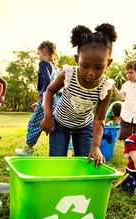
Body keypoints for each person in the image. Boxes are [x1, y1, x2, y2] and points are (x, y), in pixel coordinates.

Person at [40, 23, 118, 167]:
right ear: (77, 60)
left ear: (108, 63)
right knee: (56, 163)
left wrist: (96, 145)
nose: (91, 72)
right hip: (59, 125)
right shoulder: (69, 74)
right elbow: (50, 91)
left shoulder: (106, 87)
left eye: (99, 67)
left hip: (84, 127)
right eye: (85, 65)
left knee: (86, 162)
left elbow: (100, 119)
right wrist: (48, 117)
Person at [15, 41, 60, 156]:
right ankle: (67, 153)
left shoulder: (43, 64)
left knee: (34, 124)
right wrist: (40, 100)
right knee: (58, 128)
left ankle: (28, 150)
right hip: (58, 102)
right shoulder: (57, 68)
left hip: (49, 100)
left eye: (38, 53)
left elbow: (47, 82)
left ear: (43, 52)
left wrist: (45, 100)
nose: (38, 56)